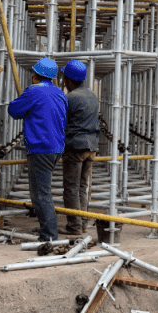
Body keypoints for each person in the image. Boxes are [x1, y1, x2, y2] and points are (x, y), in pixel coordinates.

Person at [7, 57, 67, 241]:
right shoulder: (60, 93)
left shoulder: (34, 91)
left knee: (41, 193)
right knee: (42, 191)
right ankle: (47, 230)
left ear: (36, 75)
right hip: (56, 147)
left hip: (41, 147)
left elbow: (14, 110)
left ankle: (49, 235)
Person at [60, 59, 99, 236]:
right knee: (82, 186)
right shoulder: (92, 95)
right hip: (91, 147)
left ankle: (74, 226)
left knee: (71, 187)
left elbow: (62, 122)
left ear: (68, 80)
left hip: (75, 147)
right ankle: (83, 223)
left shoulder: (70, 98)